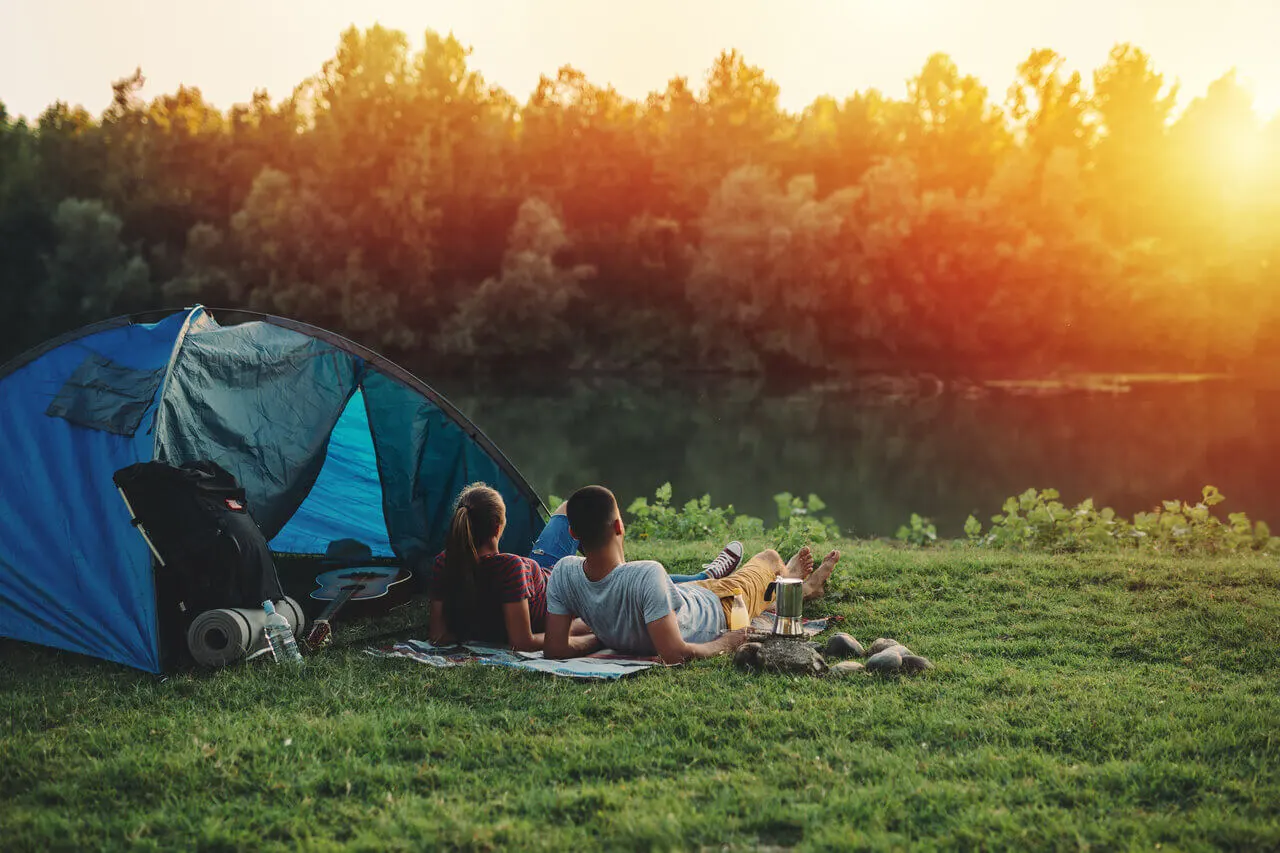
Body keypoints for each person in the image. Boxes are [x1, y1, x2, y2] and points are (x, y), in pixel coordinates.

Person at [426, 483, 744, 652]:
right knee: (613, 572)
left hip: (537, 572)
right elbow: (522, 641)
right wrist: (595, 636)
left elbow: (438, 636)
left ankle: (701, 576)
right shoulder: (508, 568)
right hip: (559, 582)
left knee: (572, 507)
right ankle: (703, 577)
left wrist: (473, 626)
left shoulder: (446, 562)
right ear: (499, 527)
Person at [544, 485, 840, 664]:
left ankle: (781, 593)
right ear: (620, 527)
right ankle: (802, 587)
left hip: (689, 595)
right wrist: (732, 640)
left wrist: (601, 637)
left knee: (703, 584)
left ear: (572, 533)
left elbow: (555, 649)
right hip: (719, 606)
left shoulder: (563, 573)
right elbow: (675, 654)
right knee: (769, 558)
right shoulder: (647, 574)